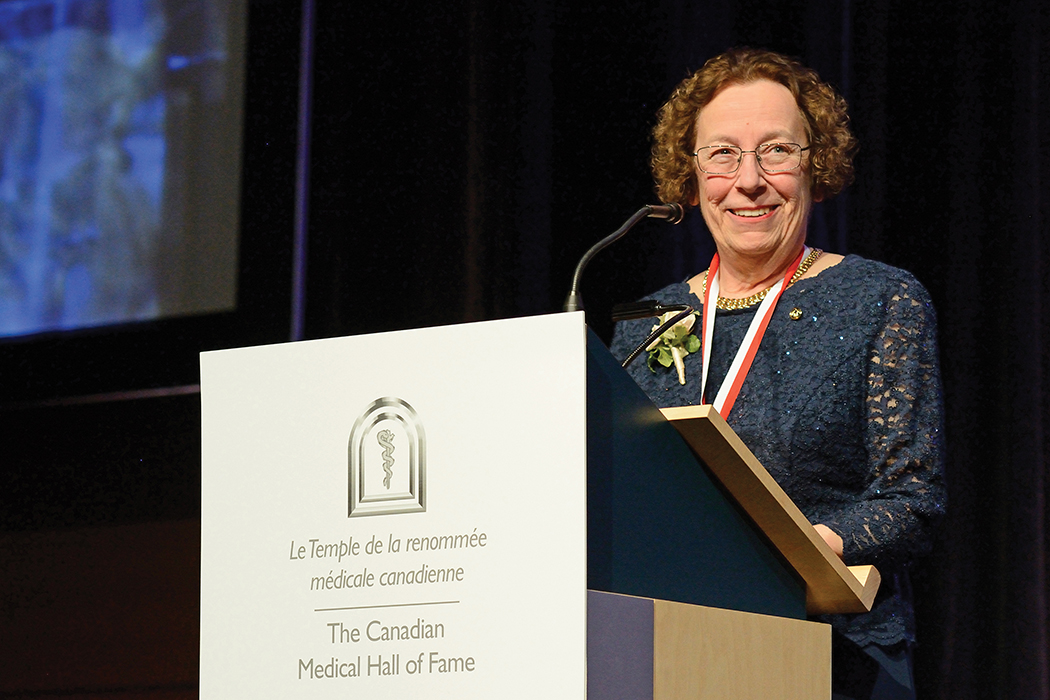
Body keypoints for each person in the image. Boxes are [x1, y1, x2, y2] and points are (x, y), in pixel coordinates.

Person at [610, 47, 946, 700]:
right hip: (674, 653)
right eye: (723, 154)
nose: (750, 180)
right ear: (689, 172)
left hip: (831, 652)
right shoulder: (650, 320)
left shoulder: (881, 299)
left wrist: (798, 550)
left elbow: (913, 501)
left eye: (776, 151)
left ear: (814, 164)